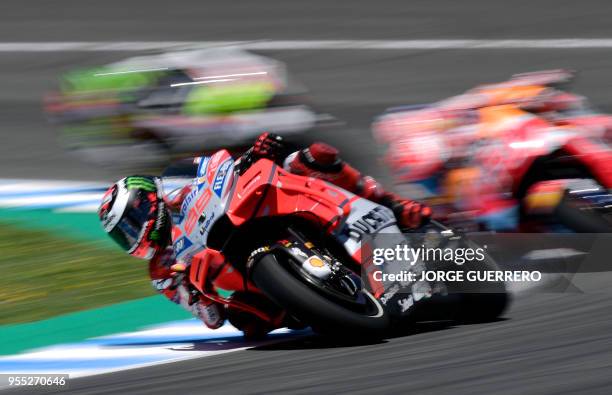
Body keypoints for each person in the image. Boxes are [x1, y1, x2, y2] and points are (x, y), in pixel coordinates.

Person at [98, 133, 431, 336]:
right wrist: (193, 292)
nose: (133, 235)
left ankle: (390, 204)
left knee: (308, 158)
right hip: (240, 280)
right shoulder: (161, 271)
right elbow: (210, 319)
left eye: (131, 223)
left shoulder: (178, 184)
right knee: (249, 324)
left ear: (147, 201)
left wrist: (253, 154)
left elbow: (218, 166)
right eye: (124, 235)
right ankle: (316, 298)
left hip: (239, 214)